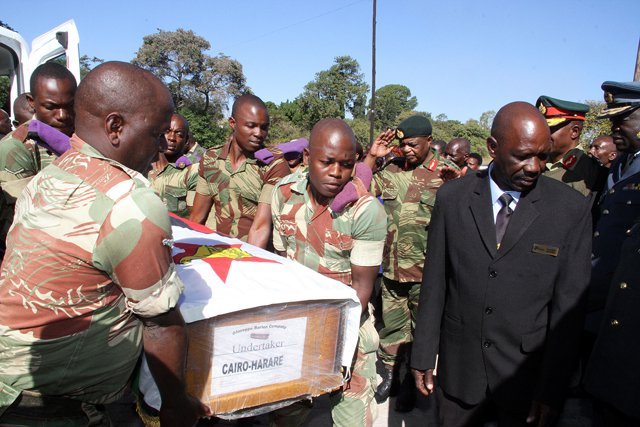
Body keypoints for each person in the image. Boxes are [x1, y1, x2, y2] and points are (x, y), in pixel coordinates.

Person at [0, 61, 211, 426]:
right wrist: (176, 404)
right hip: (56, 407)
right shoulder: (128, 201)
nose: (163, 144)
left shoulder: (52, 174)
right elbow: (161, 324)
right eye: (156, 132)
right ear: (115, 127)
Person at [411, 102, 592, 427]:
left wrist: (551, 390)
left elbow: (569, 310)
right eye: (523, 156)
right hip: (460, 372)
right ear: (493, 148)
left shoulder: (569, 210)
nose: (535, 167)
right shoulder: (453, 199)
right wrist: (423, 353)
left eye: (542, 155)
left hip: (526, 378)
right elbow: (435, 280)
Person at [271, 118, 387, 427]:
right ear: (308, 157)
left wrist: (334, 344)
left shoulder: (365, 211)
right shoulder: (283, 193)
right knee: (286, 417)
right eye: (327, 162)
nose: (336, 173)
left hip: (347, 331)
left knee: (352, 419)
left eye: (346, 165)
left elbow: (362, 289)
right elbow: (281, 260)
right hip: (294, 326)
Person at [363, 115, 457, 412]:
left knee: (422, 331)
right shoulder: (390, 170)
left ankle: (412, 382)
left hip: (427, 271)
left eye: (413, 145)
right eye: (402, 145)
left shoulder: (447, 173)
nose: (407, 150)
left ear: (430, 141)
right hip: (391, 267)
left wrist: (457, 189)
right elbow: (358, 188)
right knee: (392, 327)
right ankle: (391, 374)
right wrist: (371, 156)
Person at [585, 83, 640, 414]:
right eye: (612, 122)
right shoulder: (620, 164)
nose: (614, 129)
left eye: (624, 120)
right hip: (605, 289)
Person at [189, 94, 290, 249]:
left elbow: (261, 227)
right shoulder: (211, 159)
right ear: (232, 123)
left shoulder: (273, 164)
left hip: (254, 254)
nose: (258, 133)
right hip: (217, 252)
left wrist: (246, 265)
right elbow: (197, 217)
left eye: (264, 127)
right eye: (251, 126)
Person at [0, 62, 77, 259]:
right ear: (32, 102)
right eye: (51, 107)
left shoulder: (84, 135)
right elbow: (23, 218)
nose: (62, 116)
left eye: (70, 106)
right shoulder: (15, 148)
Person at [537, 95, 607, 197]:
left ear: (574, 131)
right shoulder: (536, 164)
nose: (544, 135)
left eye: (550, 129)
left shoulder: (590, 172)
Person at [148, 113, 199, 218]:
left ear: (187, 140)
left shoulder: (191, 173)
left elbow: (195, 217)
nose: (172, 138)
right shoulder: (141, 167)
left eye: (179, 134)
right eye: (167, 131)